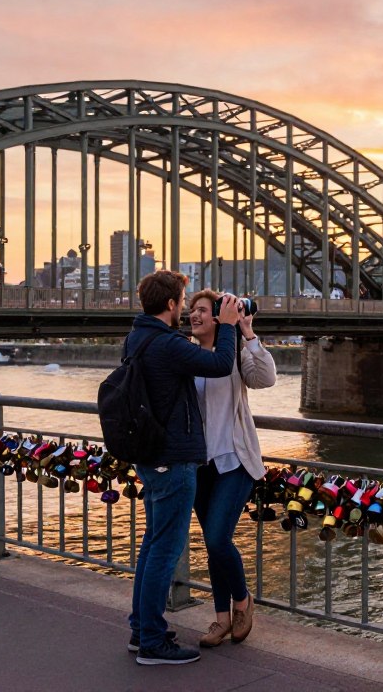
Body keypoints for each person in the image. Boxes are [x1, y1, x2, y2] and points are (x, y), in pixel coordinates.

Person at [126, 271, 240, 666]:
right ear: (173, 305)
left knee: (152, 545)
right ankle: (154, 643)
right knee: (165, 550)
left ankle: (141, 630)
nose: (186, 307)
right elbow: (223, 363)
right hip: (173, 459)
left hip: (151, 456)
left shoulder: (138, 337)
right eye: (184, 300)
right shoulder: (167, 344)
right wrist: (227, 326)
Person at [187, 289, 276, 647]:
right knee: (213, 546)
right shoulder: (188, 356)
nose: (194, 316)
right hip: (200, 464)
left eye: (203, 311)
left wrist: (248, 331)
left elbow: (265, 379)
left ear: (218, 317)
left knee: (217, 538)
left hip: (234, 460)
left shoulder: (236, 354)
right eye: (192, 310)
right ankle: (221, 620)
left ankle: (243, 601)